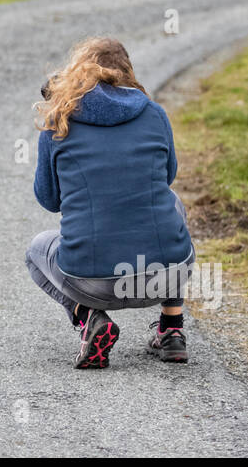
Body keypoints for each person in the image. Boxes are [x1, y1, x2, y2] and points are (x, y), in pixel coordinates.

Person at [26, 36, 194, 368]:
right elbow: (167, 177)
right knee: (171, 204)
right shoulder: (154, 113)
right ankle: (172, 330)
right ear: (126, 75)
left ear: (77, 72)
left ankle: (88, 317)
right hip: (166, 274)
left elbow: (49, 199)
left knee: (36, 249)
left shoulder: (58, 121)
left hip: (92, 282)